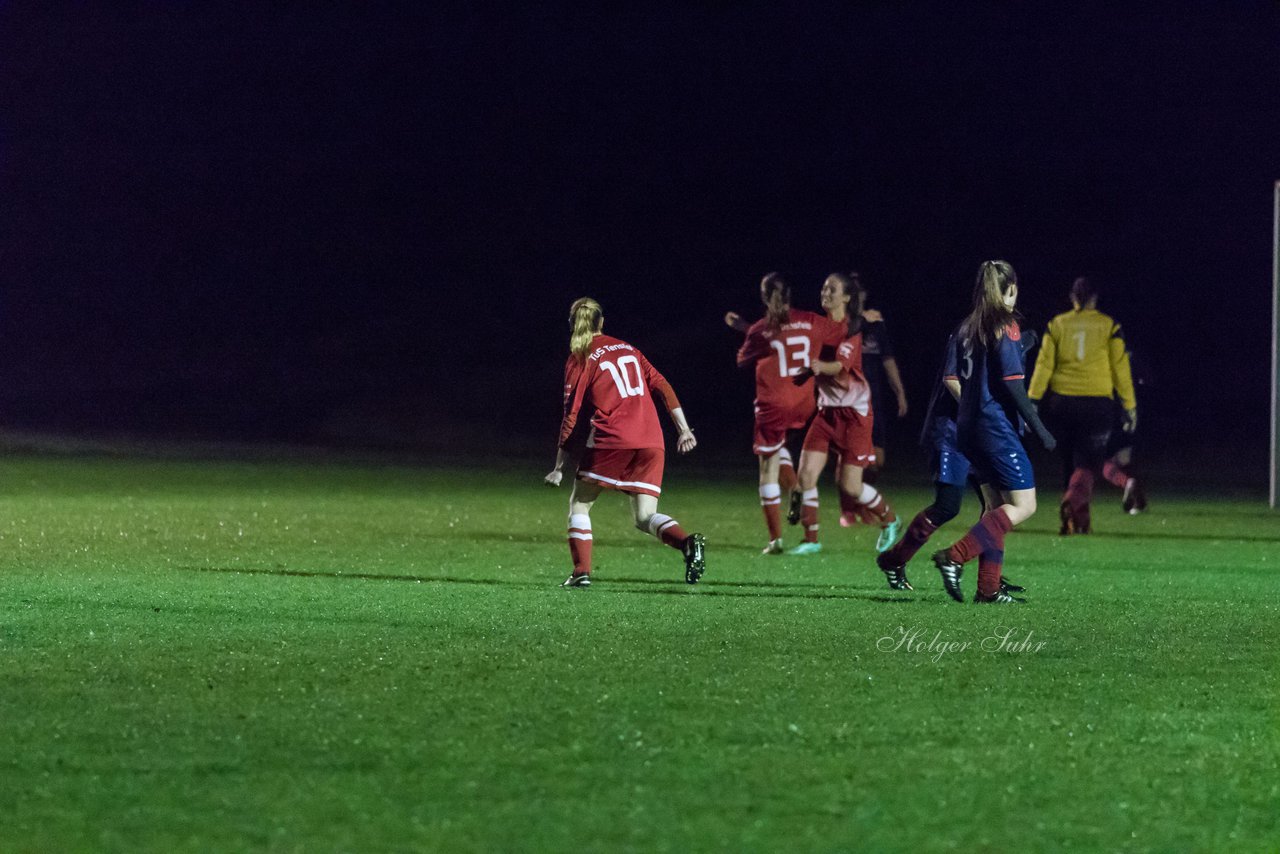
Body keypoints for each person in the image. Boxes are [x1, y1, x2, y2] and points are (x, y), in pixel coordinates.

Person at [545, 297, 706, 587]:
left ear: (572, 324)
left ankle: (581, 572)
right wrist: (683, 429)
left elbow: (571, 414)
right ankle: (687, 543)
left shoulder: (580, 356)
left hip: (613, 438)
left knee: (580, 503)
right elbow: (663, 386)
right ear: (602, 322)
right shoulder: (628, 348)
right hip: (652, 439)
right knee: (645, 516)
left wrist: (559, 466)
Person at [874, 328, 1038, 593]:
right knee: (948, 505)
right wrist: (981, 412)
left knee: (994, 505)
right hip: (950, 431)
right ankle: (895, 560)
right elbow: (951, 379)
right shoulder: (969, 333)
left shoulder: (1001, 336)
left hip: (979, 432)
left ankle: (990, 586)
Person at [931, 261, 1056, 604]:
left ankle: (988, 588)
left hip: (967, 427)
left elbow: (973, 373)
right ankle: (954, 556)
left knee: (994, 508)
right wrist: (1042, 430)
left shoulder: (968, 327)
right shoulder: (1007, 325)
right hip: (994, 428)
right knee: (1024, 505)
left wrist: (1022, 348)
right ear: (1010, 289)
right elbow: (1014, 386)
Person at [787, 273, 901, 556]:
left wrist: (817, 368)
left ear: (847, 297)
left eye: (832, 289)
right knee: (805, 478)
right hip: (827, 413)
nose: (825, 291)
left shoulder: (852, 328)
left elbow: (839, 366)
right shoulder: (820, 325)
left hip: (855, 416)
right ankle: (811, 539)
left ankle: (890, 520)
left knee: (851, 486)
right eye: (824, 286)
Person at [1027, 276, 1141, 534]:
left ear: (1072, 297)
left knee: (1071, 463)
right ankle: (1073, 502)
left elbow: (1044, 364)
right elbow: (1120, 368)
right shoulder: (1108, 326)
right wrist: (1129, 405)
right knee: (1089, 464)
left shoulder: (1057, 325)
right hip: (1096, 403)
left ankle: (1077, 522)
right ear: (1094, 298)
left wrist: (1032, 399)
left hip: (1062, 403)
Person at [728, 273, 824, 554]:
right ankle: (810, 530)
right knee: (790, 456)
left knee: (767, 471)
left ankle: (776, 540)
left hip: (774, 404)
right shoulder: (810, 320)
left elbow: (744, 358)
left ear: (763, 296)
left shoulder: (761, 328)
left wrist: (745, 329)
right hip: (806, 402)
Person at [850, 275, 909, 487]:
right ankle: (854, 501)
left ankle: (862, 497)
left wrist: (899, 392)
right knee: (853, 456)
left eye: (859, 290)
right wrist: (862, 320)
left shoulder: (876, 325)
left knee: (877, 459)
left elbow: (888, 360)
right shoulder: (841, 323)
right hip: (847, 398)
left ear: (865, 294)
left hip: (872, 398)